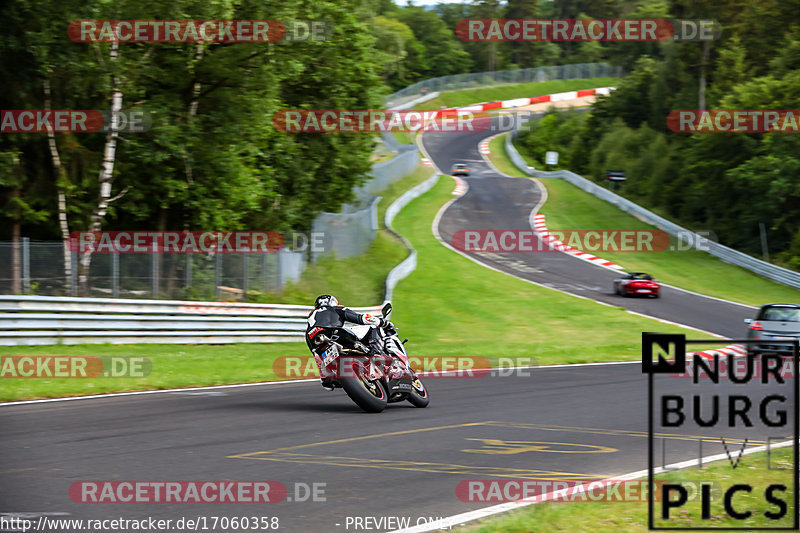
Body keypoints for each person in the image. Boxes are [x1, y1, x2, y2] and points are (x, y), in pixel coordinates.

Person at [306, 295, 392, 390]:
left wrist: (323, 377)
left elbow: (316, 356)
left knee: (317, 353)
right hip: (335, 333)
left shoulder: (311, 317)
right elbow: (360, 318)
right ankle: (376, 352)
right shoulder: (337, 308)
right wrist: (381, 322)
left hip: (313, 338)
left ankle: (328, 376)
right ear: (332, 302)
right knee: (373, 327)